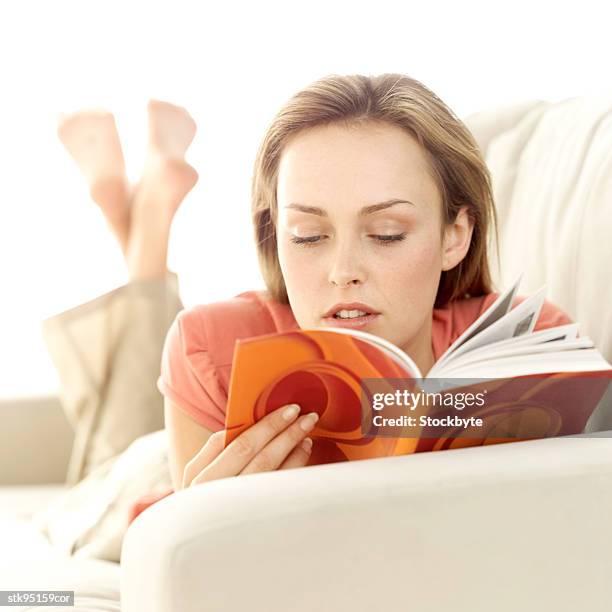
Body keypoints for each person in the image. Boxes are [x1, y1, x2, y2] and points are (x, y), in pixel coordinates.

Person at [49, 74, 573, 507]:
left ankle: (134, 219)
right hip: (143, 483)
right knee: (111, 460)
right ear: (277, 236)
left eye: (386, 234)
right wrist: (199, 523)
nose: (342, 271)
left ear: (455, 236)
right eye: (309, 236)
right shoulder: (212, 348)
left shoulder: (524, 346)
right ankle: (142, 230)